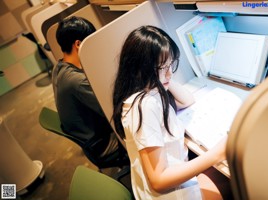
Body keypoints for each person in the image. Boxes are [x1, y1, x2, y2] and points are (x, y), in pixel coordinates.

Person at [113, 25, 232, 199]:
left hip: (173, 176)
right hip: (169, 192)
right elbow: (159, 180)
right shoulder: (143, 106)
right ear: (140, 68)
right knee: (231, 178)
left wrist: (162, 77)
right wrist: (216, 154)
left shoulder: (149, 91)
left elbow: (187, 100)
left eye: (171, 64)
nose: (170, 73)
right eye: (162, 67)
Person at [52, 16, 119, 162]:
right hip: (103, 144)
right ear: (78, 44)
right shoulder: (76, 80)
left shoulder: (59, 67)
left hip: (90, 139)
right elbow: (113, 110)